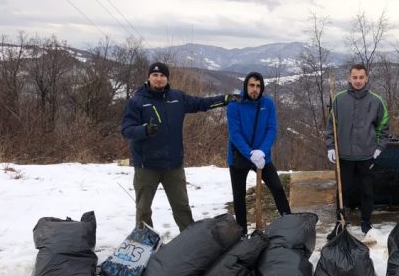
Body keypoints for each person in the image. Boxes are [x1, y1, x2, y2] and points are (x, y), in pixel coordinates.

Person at [121, 62, 239, 232]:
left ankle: (189, 243)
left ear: (167, 78)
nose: (159, 79)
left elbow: (201, 104)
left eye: (162, 75)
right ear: (148, 77)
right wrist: (144, 130)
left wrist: (224, 100)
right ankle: (143, 245)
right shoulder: (137, 101)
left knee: (182, 208)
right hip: (146, 166)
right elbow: (126, 130)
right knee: (143, 210)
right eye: (155, 75)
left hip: (173, 165)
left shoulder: (177, 98)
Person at [326, 64, 390, 237]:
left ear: (366, 78)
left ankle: (366, 224)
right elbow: (331, 127)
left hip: (366, 156)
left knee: (367, 191)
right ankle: (341, 224)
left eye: (361, 77)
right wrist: (331, 146)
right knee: (343, 192)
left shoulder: (376, 101)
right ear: (349, 78)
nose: (358, 81)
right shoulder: (339, 100)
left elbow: (384, 128)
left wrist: (378, 148)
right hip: (344, 156)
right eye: (355, 77)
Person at [227, 71, 291, 233]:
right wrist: (250, 154)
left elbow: (271, 129)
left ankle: (289, 222)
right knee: (239, 195)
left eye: (258, 86)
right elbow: (235, 134)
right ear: (246, 86)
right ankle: (242, 232)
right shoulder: (235, 105)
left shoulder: (267, 104)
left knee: (277, 187)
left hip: (262, 156)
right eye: (251, 85)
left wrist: (262, 151)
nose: (255, 89)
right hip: (239, 156)